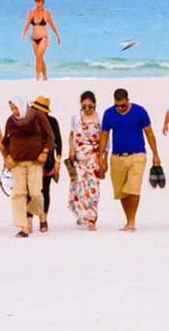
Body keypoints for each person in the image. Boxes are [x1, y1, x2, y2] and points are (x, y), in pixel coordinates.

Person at [98, 88, 160, 232]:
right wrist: (101, 157)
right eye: (117, 105)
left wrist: (155, 155)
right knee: (121, 192)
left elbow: (149, 133)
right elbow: (104, 136)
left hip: (137, 155)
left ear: (128, 100)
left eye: (123, 105)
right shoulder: (109, 113)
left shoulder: (140, 111)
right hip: (117, 157)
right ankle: (128, 220)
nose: (120, 108)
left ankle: (132, 221)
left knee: (133, 188)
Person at [3, 96, 50, 237]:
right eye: (12, 109)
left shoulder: (37, 117)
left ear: (22, 105)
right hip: (17, 163)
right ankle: (23, 226)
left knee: (35, 193)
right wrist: (8, 157)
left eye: (16, 108)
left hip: (35, 162)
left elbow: (50, 136)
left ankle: (39, 211)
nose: (14, 112)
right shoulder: (11, 121)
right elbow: (5, 141)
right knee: (18, 194)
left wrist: (45, 151)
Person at [68, 91, 103, 230]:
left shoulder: (100, 118)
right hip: (79, 155)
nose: (87, 109)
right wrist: (71, 150)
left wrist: (102, 157)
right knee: (79, 187)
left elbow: (104, 140)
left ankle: (92, 218)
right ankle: (81, 215)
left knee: (93, 187)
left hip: (94, 155)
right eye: (84, 106)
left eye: (90, 106)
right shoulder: (76, 117)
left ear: (95, 105)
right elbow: (71, 135)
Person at [31, 95, 63, 233]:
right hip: (31, 160)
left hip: (48, 160)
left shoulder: (52, 122)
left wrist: (58, 160)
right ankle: (29, 219)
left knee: (45, 190)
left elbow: (58, 142)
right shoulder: (29, 121)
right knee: (30, 191)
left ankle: (43, 219)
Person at [20, 0, 61, 81]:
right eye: (35, 1)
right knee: (39, 57)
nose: (37, 2)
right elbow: (27, 23)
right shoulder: (31, 12)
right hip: (33, 39)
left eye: (38, 1)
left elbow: (52, 25)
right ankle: (45, 76)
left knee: (38, 57)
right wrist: (24, 34)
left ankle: (37, 78)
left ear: (42, 2)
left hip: (44, 38)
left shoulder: (47, 13)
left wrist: (57, 36)